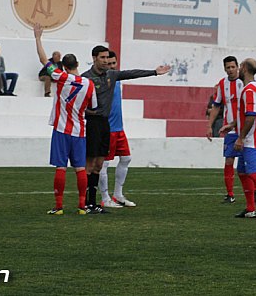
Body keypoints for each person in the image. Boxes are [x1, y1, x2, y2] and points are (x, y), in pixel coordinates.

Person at [82, 46, 170, 213]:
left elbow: (131, 73)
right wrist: (88, 112)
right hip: (92, 123)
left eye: (107, 57)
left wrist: (154, 72)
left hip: (105, 125)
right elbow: (75, 102)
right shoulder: (85, 78)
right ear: (94, 58)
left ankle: (94, 204)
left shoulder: (111, 75)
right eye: (102, 57)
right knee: (89, 164)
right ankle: (85, 203)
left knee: (99, 165)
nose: (106, 61)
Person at [34, 24, 96, 216]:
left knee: (61, 167)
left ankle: (59, 206)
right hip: (80, 131)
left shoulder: (61, 77)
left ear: (65, 67)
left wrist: (38, 38)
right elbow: (93, 108)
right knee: (80, 168)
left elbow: (44, 60)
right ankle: (81, 206)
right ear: (77, 65)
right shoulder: (89, 84)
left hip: (61, 129)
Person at [225, 58, 256, 219]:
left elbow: (251, 116)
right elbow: (248, 114)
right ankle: (250, 208)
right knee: (243, 172)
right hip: (251, 138)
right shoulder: (255, 88)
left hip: (252, 139)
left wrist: (241, 137)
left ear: (244, 68)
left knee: (253, 172)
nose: (237, 69)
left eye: (239, 66)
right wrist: (232, 125)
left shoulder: (250, 90)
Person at [99, 51, 137, 209]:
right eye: (109, 63)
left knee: (126, 158)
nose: (112, 66)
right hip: (107, 128)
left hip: (119, 128)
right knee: (104, 163)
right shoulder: (100, 80)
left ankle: (118, 195)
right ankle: (105, 197)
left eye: (114, 63)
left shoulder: (117, 78)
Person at [206, 56, 244, 203]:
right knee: (229, 161)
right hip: (230, 130)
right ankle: (230, 194)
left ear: (238, 67)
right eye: (227, 67)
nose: (230, 70)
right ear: (225, 69)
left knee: (247, 162)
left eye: (233, 67)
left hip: (246, 128)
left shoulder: (245, 82)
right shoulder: (223, 84)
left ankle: (254, 192)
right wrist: (209, 125)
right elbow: (216, 105)